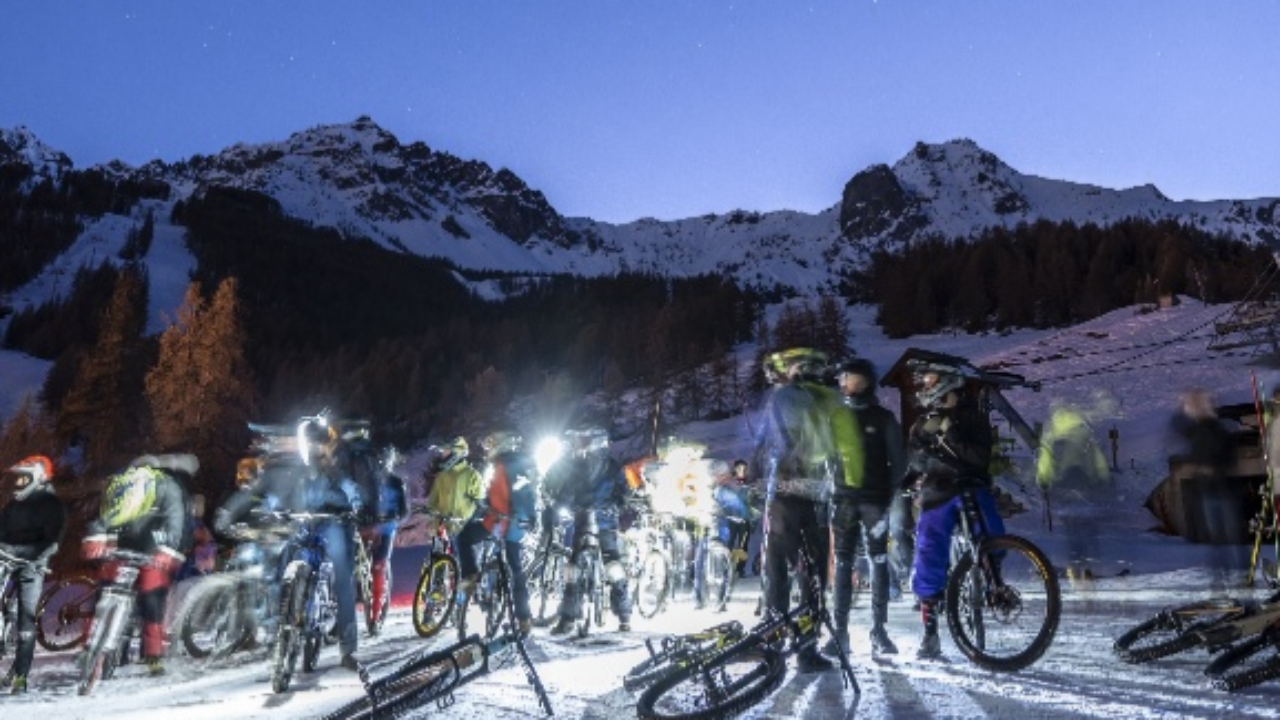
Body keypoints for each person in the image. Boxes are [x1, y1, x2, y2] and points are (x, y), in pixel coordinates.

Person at [753, 347, 852, 673]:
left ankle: (776, 643)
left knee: (780, 574)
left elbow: (763, 446)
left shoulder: (781, 399)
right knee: (811, 577)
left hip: (785, 496)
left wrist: (755, 476)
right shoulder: (827, 400)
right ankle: (805, 649)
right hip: (814, 499)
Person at [905, 365, 1004, 660]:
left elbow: (980, 458)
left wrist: (950, 434)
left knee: (989, 530)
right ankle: (930, 628)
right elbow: (915, 462)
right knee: (928, 548)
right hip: (937, 492)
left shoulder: (974, 417)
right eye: (924, 381)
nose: (925, 385)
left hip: (971, 487)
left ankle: (994, 583)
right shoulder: (921, 424)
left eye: (930, 380)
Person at [82, 453, 195, 676]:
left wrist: (96, 537)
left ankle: (139, 653)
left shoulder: (133, 486)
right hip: (147, 548)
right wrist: (169, 550)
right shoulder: (162, 485)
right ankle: (147, 655)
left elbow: (103, 517)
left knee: (123, 595)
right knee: (146, 600)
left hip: (136, 547)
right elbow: (176, 519)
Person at [825, 357, 906, 657]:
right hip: (844, 500)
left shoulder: (883, 418)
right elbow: (828, 457)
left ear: (867, 381)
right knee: (843, 564)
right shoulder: (836, 417)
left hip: (874, 501)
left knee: (878, 561)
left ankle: (879, 631)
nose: (846, 383)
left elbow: (899, 462)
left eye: (853, 378)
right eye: (844, 378)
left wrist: (886, 494)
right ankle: (840, 632)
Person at [544, 427, 634, 635]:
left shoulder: (599, 466)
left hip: (592, 518)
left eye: (583, 440)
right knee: (607, 562)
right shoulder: (609, 466)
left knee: (579, 567)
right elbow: (623, 491)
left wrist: (558, 505)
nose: (579, 445)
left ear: (595, 442)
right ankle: (624, 614)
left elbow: (567, 492)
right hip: (592, 518)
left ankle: (569, 619)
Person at [455, 431, 538, 636]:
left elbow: (515, 495)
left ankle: (522, 616)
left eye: (491, 445)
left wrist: (510, 516)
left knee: (513, 566)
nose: (488, 450)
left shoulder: (509, 466)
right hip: (504, 522)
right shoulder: (510, 464)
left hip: (506, 522)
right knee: (513, 566)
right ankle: (523, 618)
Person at [0, 456, 65, 694]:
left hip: (32, 565)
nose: (18, 483)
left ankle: (20, 676)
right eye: (17, 478)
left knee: (26, 619)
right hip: (6, 558)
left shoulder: (51, 504)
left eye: (23, 478)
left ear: (37, 478)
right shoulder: (14, 505)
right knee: (6, 609)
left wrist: (30, 553)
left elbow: (52, 541)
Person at [1170, 388, 1239, 580]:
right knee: (1221, 538)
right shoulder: (1204, 430)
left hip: (1219, 490)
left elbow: (1226, 457)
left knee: (1225, 537)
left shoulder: (1213, 430)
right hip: (1213, 490)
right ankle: (1225, 576)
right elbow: (1177, 425)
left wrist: (1207, 468)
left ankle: (1231, 575)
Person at [358, 445, 409, 635]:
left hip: (386, 529)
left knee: (379, 566)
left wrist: (393, 518)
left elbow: (403, 511)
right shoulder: (368, 482)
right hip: (366, 528)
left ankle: (375, 617)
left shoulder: (396, 483)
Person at [424, 437, 484, 531]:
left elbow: (480, 504)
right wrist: (430, 512)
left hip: (462, 530)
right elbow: (433, 502)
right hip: (441, 530)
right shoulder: (442, 476)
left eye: (446, 451)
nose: (442, 455)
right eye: (442, 452)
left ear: (456, 453)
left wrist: (469, 522)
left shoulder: (472, 475)